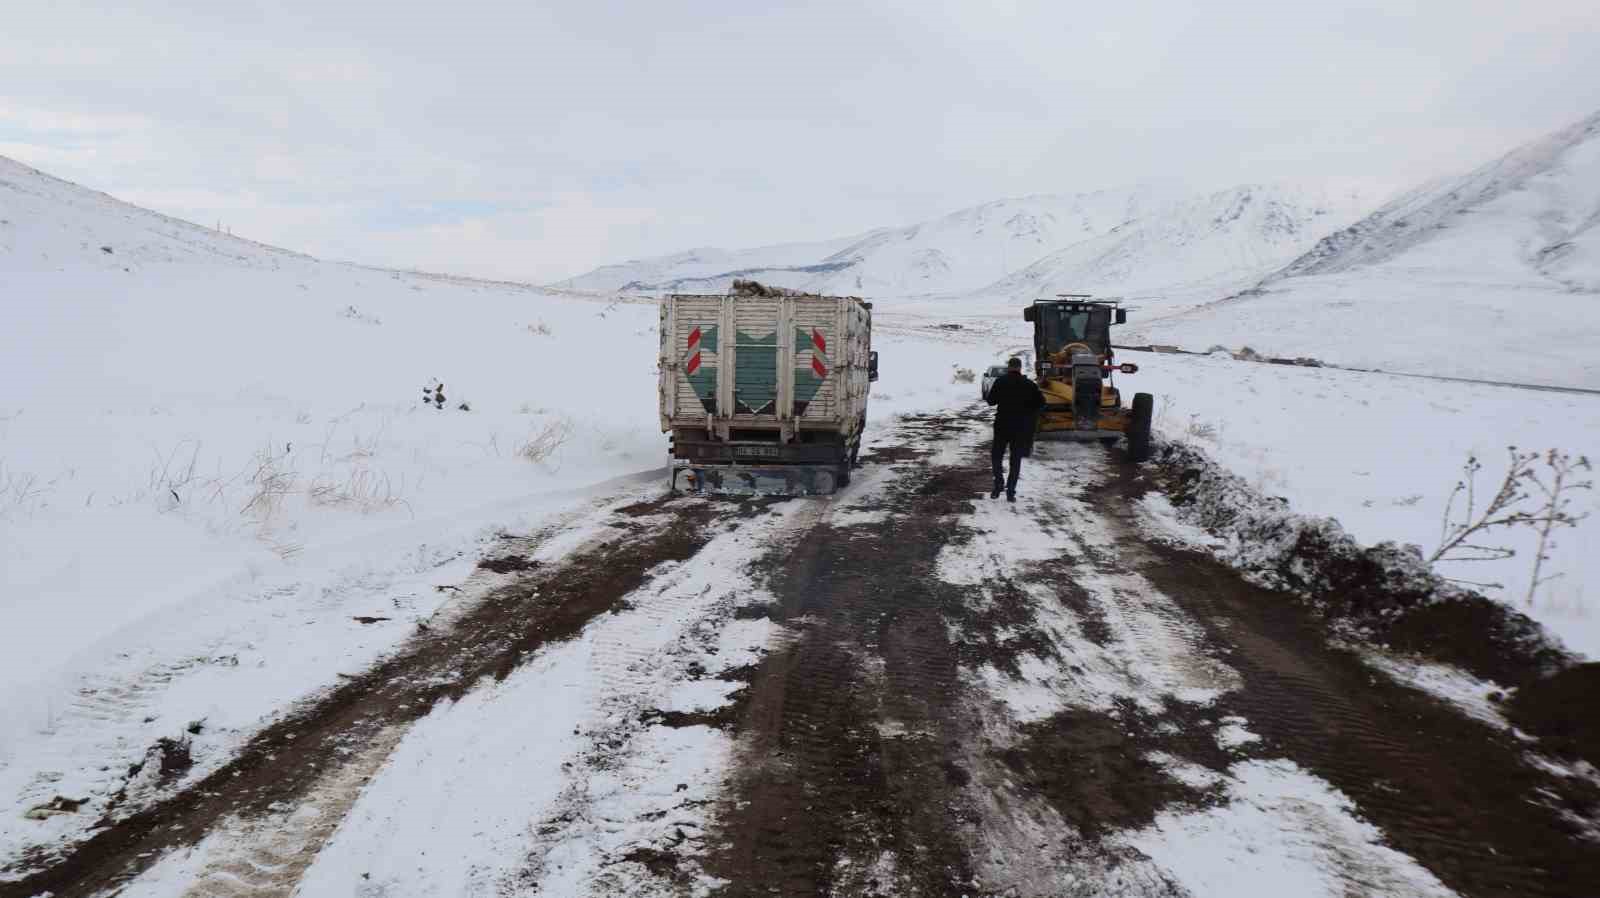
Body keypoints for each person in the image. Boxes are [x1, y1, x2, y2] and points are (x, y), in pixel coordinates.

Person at [985, 357, 1044, 502]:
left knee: (996, 456)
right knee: (1015, 459)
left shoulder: (1000, 382)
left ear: (1009, 367)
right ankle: (1011, 492)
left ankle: (998, 485)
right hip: (1020, 427)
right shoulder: (1029, 384)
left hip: (1002, 425)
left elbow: (991, 401)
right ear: (1020, 368)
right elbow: (1041, 403)